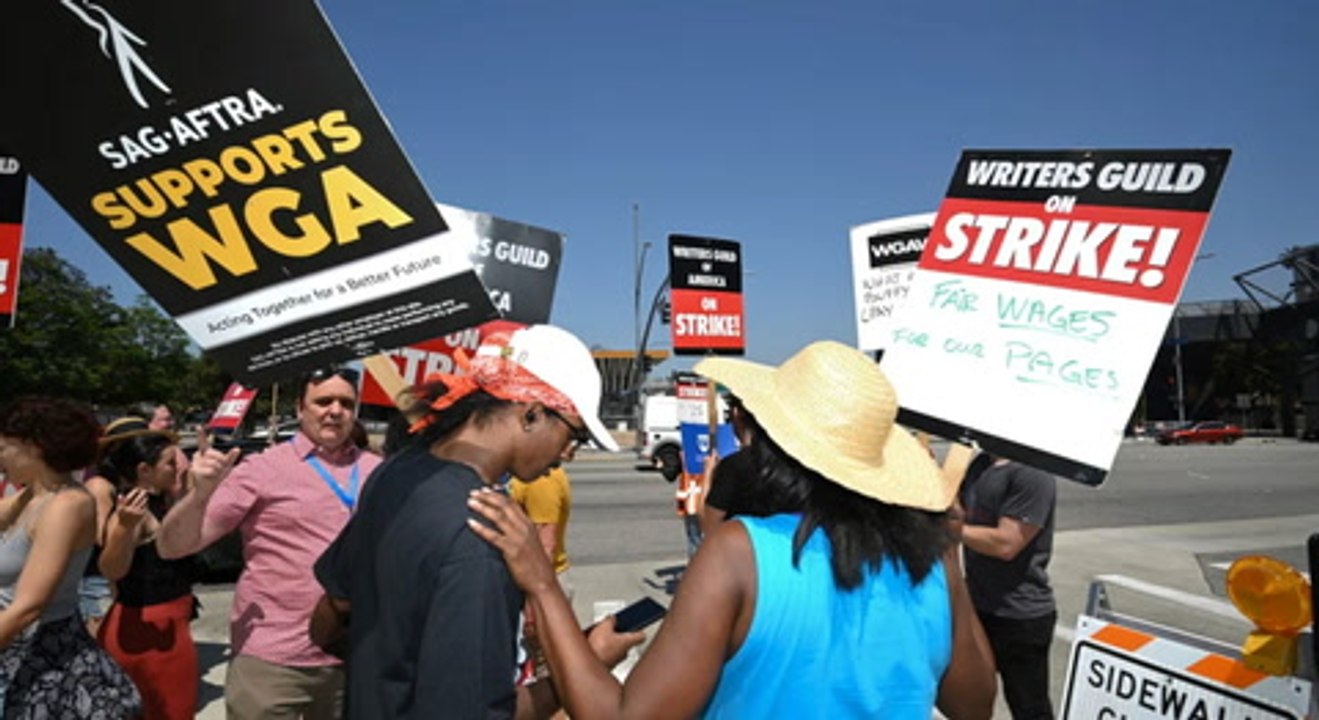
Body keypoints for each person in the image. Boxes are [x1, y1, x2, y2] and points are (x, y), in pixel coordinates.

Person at [469, 340, 998, 719]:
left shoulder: (740, 553)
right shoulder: (932, 565)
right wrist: (946, 553)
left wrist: (542, 584)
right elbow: (974, 706)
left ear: (774, 447)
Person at [311, 325, 640, 718]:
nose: (567, 454)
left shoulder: (395, 471)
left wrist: (390, 678)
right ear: (532, 414)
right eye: (575, 435)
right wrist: (581, 670)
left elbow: (327, 622)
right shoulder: (486, 535)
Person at [157, 366, 381, 719]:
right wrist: (198, 496)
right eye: (323, 401)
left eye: (346, 403)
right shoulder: (260, 469)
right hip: (273, 659)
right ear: (299, 408)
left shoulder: (378, 470)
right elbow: (173, 547)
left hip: (351, 655)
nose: (335, 410)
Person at [0, 396, 141, 717]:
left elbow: (28, 607)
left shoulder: (67, 504)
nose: (0, 458)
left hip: (42, 662)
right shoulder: (33, 494)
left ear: (33, 447)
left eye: (3, 448)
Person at [96, 417, 199, 719]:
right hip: (146, 633)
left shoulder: (158, 502)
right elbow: (111, 569)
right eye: (169, 463)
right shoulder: (133, 511)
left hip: (162, 626)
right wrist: (124, 528)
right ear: (144, 471)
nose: (178, 467)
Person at [958, 455, 1058, 719]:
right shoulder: (979, 464)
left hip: (1020, 616)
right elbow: (955, 509)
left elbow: (1006, 544)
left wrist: (950, 530)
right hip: (977, 606)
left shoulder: (1032, 472)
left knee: (1029, 709)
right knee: (967, 700)